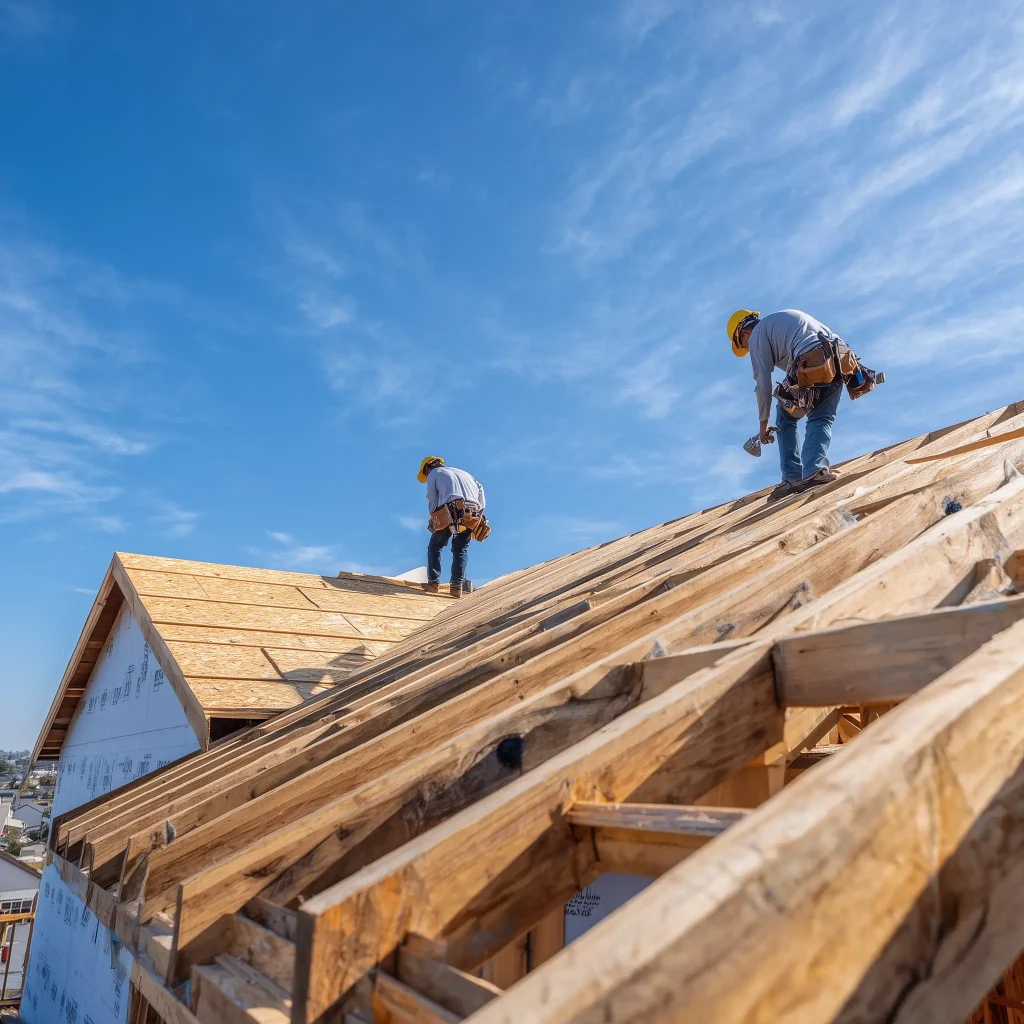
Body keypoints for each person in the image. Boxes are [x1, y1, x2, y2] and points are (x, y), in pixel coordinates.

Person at [728, 308, 846, 503]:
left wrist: (763, 424)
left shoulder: (758, 334)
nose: (749, 349)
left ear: (744, 332)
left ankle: (792, 477)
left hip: (811, 356)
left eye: (744, 344)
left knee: (784, 416)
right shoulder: (781, 323)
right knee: (821, 417)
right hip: (839, 359)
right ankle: (815, 471)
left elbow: (763, 384)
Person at [417, 456, 486, 598]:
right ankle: (456, 587)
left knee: (435, 545)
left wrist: (434, 515)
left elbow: (432, 497)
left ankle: (433, 584)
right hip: (472, 512)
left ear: (427, 468)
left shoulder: (433, 474)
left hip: (450, 510)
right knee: (460, 548)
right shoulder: (466, 474)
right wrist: (480, 511)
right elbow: (481, 489)